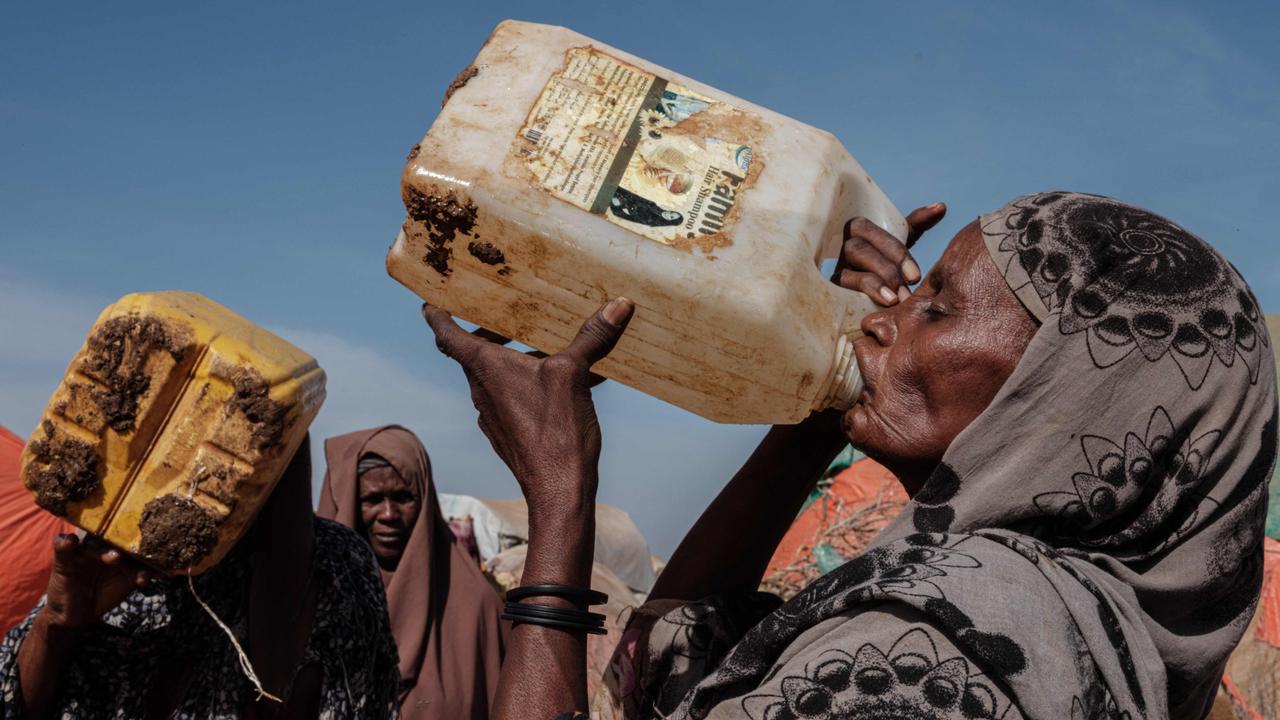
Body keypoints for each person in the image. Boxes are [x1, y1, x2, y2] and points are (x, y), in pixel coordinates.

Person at [422, 192, 1278, 720]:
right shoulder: (1088, 614)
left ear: (1060, 398)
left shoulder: (932, 654)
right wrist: (819, 409)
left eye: (936, 309)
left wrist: (561, 500)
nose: (880, 317)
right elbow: (666, 668)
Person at [0, 436, 400, 719]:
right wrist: (56, 623)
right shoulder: (118, 552)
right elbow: (18, 704)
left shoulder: (332, 562)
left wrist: (283, 565)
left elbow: (335, 698)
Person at [318, 425, 506, 719]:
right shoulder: (313, 605)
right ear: (348, 505)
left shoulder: (477, 609)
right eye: (372, 499)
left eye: (403, 497)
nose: (389, 514)